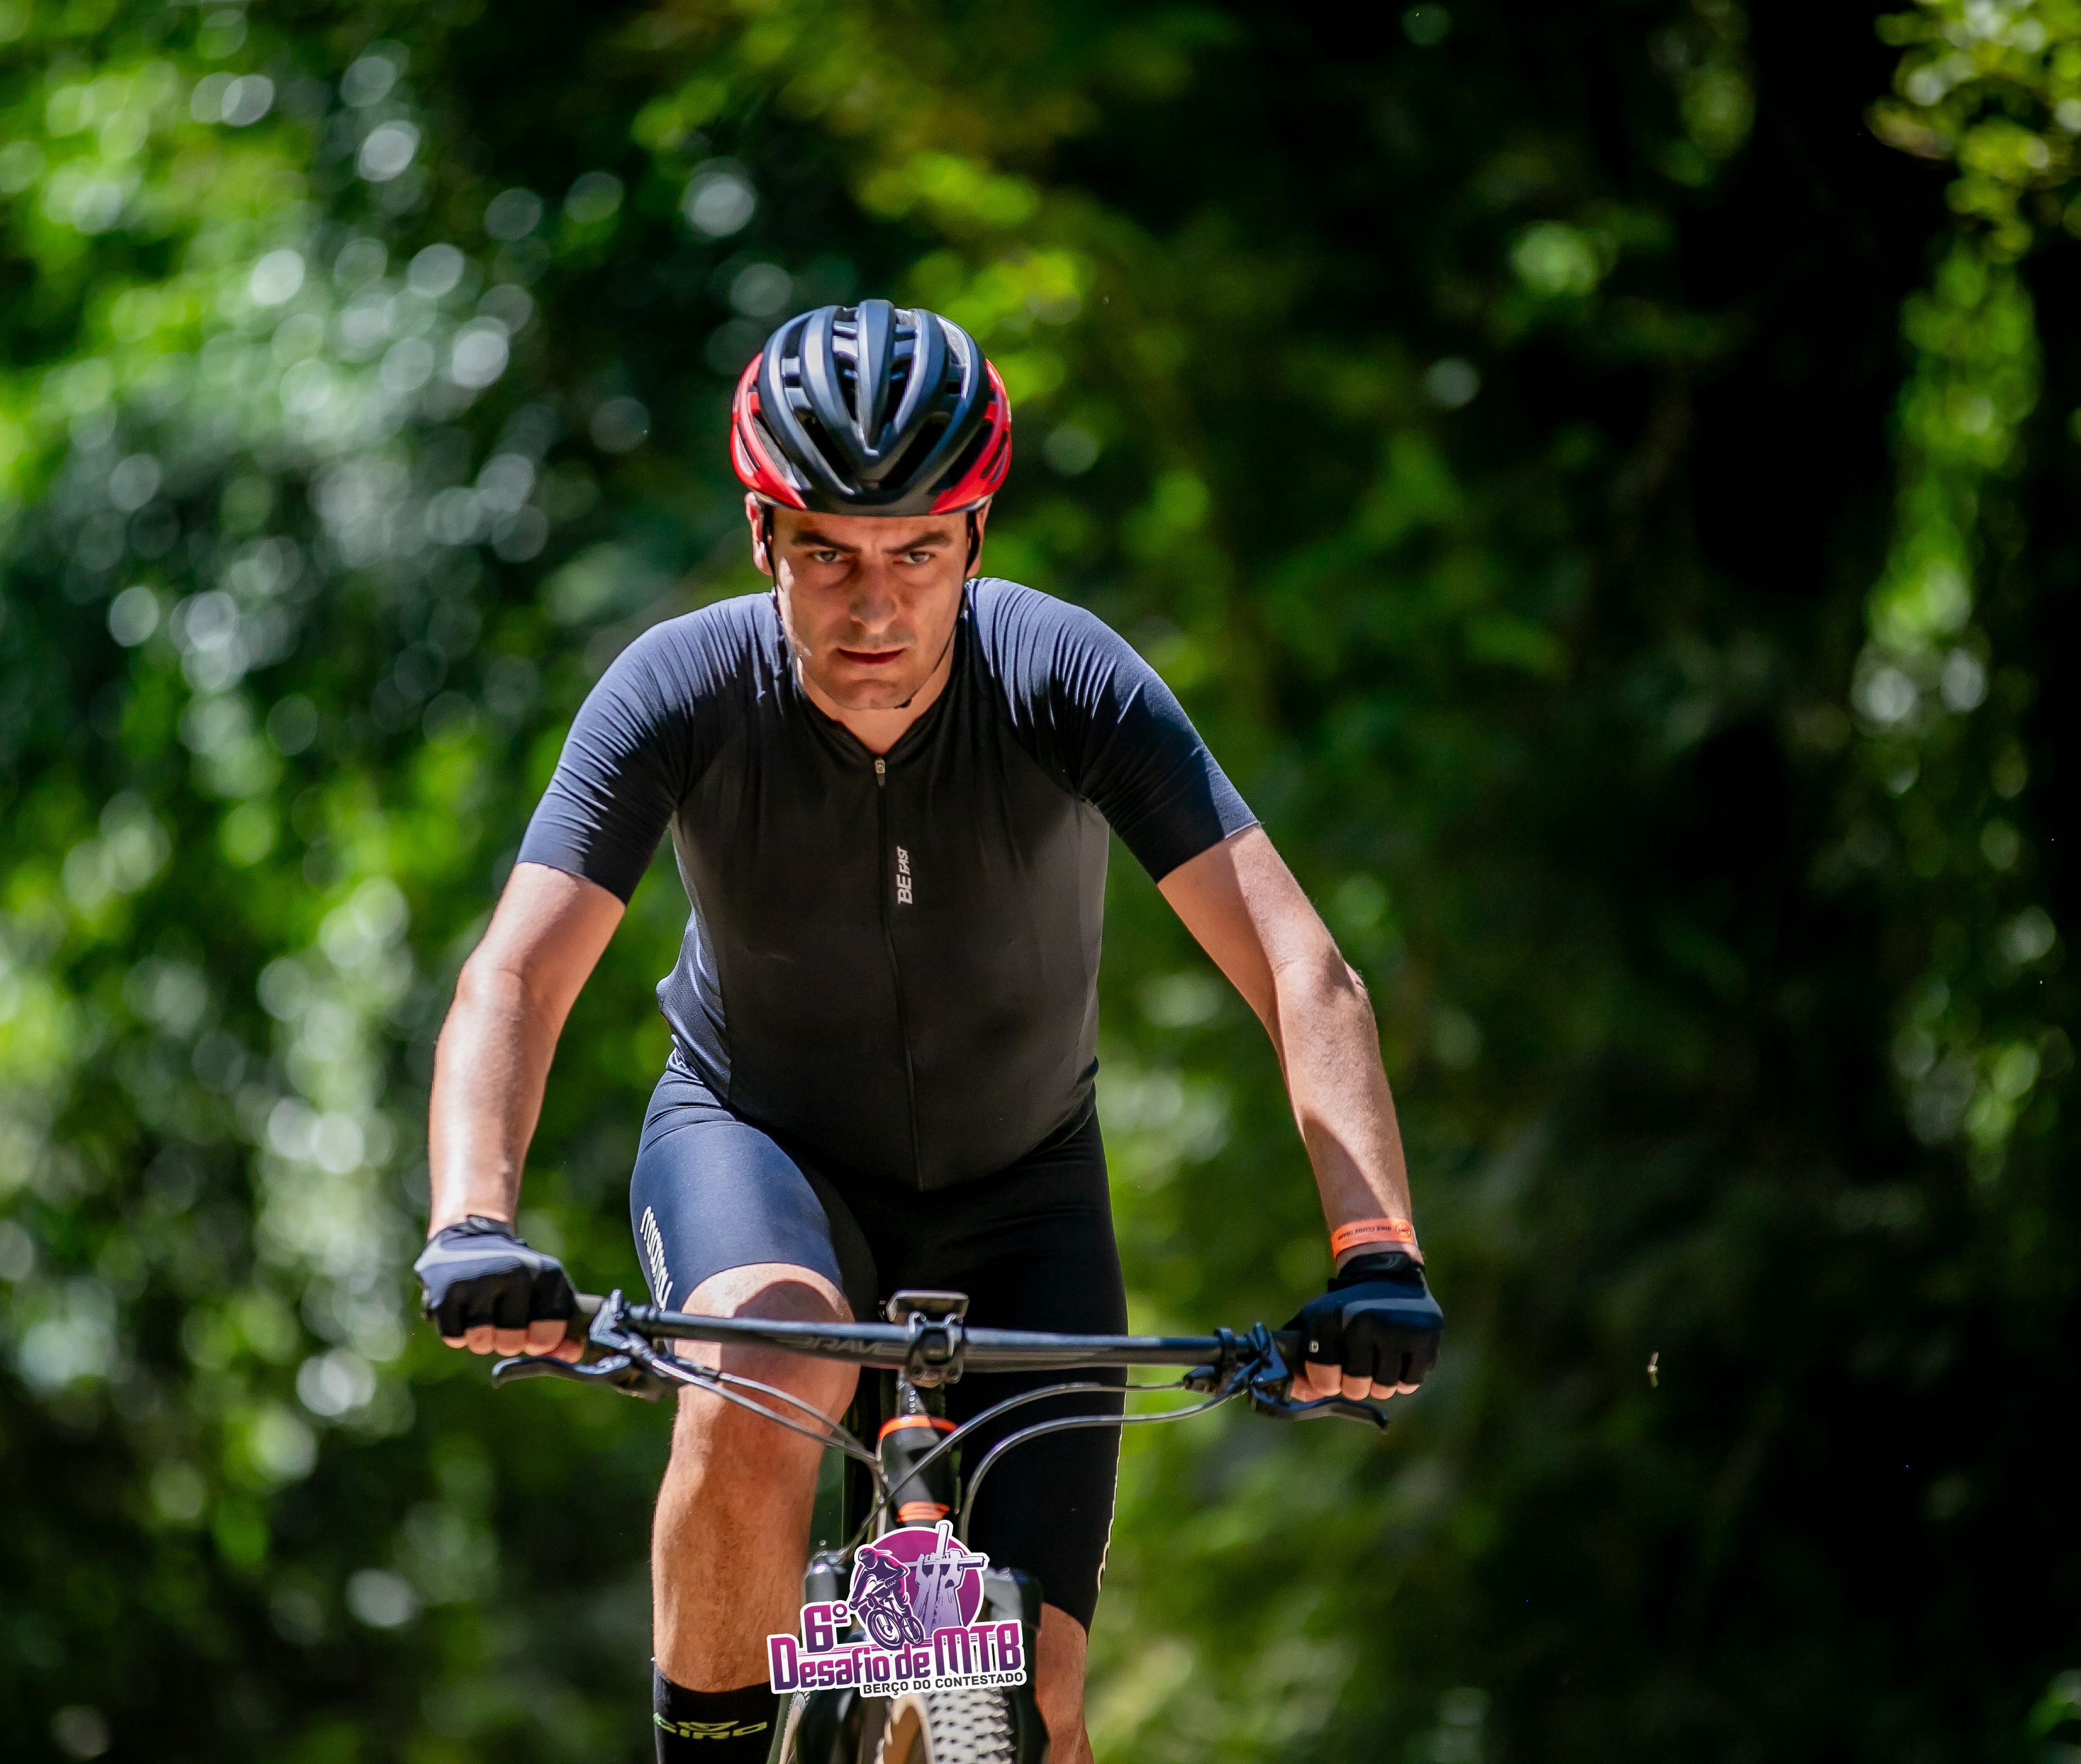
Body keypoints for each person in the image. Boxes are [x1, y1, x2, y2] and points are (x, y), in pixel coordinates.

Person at [414, 300, 1443, 1764]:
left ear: (975, 539)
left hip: (1022, 1190)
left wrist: (1377, 1251)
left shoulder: (1064, 676)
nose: (874, 609)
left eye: (916, 554)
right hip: (754, 1150)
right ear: (763, 538)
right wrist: (472, 1223)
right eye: (827, 554)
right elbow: (515, 979)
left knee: (1042, 1704)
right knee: (776, 1359)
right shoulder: (679, 691)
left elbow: (1302, 970)